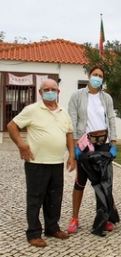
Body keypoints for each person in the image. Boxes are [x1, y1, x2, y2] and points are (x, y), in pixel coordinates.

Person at [7, 79, 75, 247]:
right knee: (35, 198)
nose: (50, 91)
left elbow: (68, 134)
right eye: (46, 89)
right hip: (37, 162)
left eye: (53, 89)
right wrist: (21, 145)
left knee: (54, 197)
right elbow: (11, 126)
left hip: (56, 162)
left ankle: (52, 228)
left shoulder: (63, 112)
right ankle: (33, 233)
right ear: (40, 92)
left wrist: (71, 155)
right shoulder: (31, 110)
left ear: (58, 92)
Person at [66, 65, 119, 235]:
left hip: (103, 142)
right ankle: (75, 217)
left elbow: (111, 118)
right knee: (80, 180)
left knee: (103, 182)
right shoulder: (77, 96)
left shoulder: (107, 98)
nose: (97, 77)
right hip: (84, 143)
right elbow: (72, 120)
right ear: (89, 76)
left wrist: (114, 142)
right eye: (95, 74)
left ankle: (103, 218)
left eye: (100, 75)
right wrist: (74, 146)